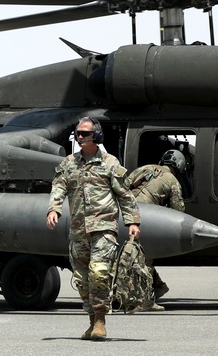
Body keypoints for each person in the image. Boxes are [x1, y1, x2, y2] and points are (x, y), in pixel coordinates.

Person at [46, 117, 140, 341]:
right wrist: (53, 209)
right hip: (79, 230)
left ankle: (100, 320)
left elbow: (124, 195)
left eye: (84, 134)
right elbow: (58, 187)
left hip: (104, 228)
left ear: (96, 136)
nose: (79, 137)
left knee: (99, 272)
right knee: (82, 279)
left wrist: (133, 221)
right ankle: (91, 321)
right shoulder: (69, 163)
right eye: (77, 133)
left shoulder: (109, 163)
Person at [123, 149, 187, 311]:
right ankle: (145, 301)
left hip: (123, 216)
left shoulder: (143, 169)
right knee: (145, 258)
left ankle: (156, 288)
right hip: (145, 218)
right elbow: (178, 210)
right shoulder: (172, 180)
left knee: (130, 256)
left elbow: (122, 187)